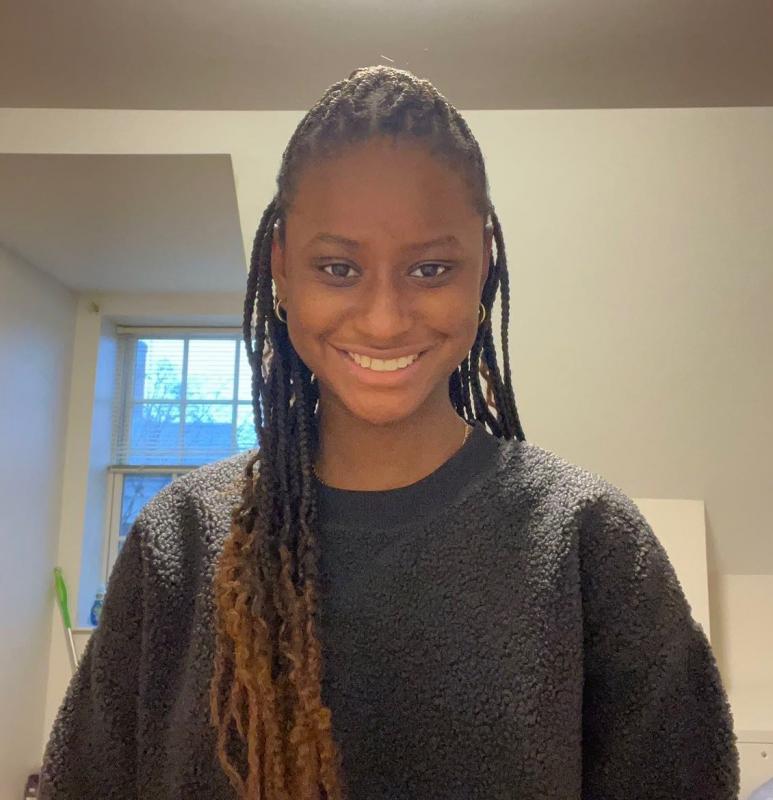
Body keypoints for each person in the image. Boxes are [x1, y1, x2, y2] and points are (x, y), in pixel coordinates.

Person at [39, 65, 740, 800]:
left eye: (430, 268)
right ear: (281, 269)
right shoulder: (179, 542)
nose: (382, 319)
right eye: (337, 267)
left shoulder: (588, 542)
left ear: (482, 267)